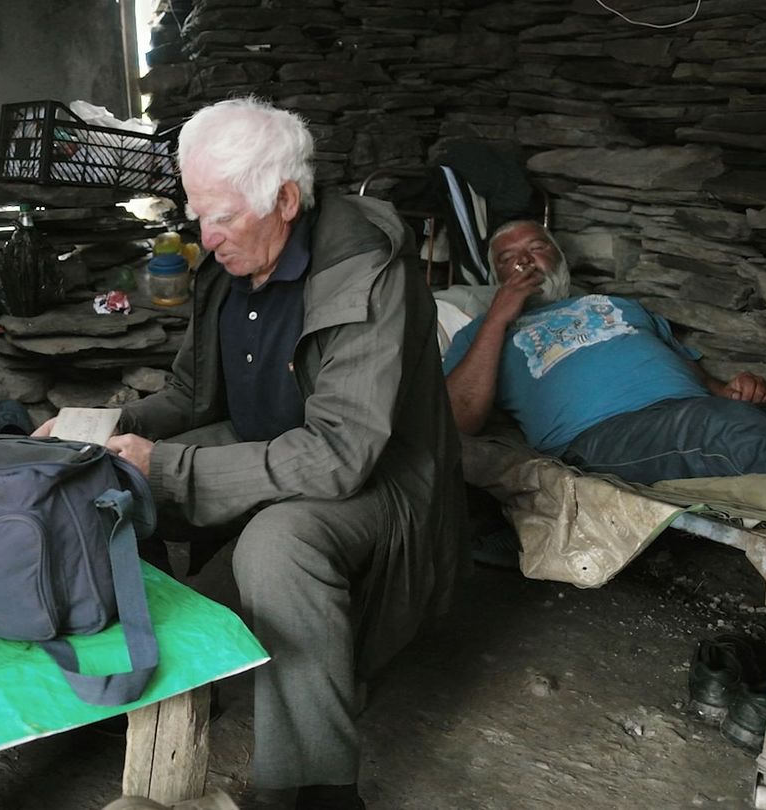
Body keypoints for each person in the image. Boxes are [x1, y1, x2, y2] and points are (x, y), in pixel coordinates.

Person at [36, 98, 465, 810]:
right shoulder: (230, 263)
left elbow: (340, 455)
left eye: (224, 216)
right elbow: (191, 394)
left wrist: (166, 467)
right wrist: (94, 429)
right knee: (102, 473)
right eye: (198, 214)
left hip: (383, 479)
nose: (207, 236)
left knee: (275, 545)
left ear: (286, 199)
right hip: (270, 445)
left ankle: (313, 786)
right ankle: (138, 676)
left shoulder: (365, 272)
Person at [443, 219, 766, 484]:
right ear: (494, 274)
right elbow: (460, 419)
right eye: (507, 258)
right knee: (719, 427)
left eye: (536, 247)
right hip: (603, 435)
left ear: (558, 257)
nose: (524, 262)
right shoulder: (483, 332)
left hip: (694, 406)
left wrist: (733, 390)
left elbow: (687, 369)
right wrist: (498, 317)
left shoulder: (619, 306)